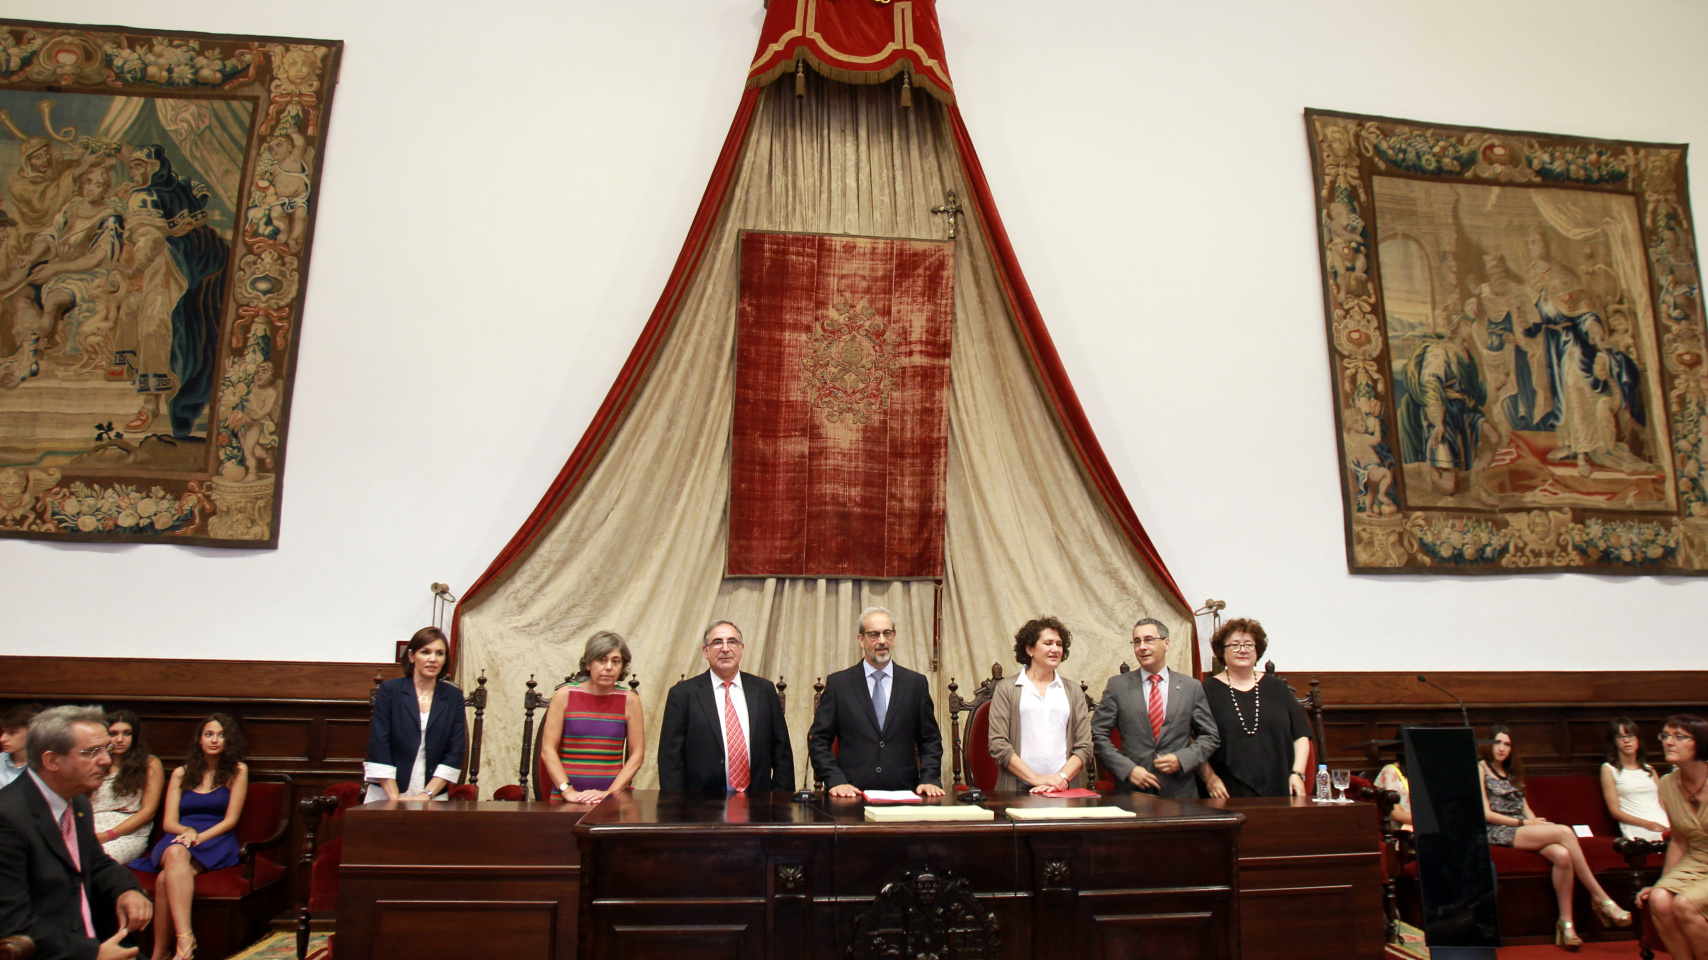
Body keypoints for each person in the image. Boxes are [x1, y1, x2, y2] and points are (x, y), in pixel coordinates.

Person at [0, 705, 153, 960]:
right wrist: (92, 954)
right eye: (92, 752)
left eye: (106, 749)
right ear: (52, 761)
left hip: (94, 938)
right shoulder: (8, 817)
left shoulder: (77, 800)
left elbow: (95, 860)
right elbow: (12, 922)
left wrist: (127, 889)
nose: (105, 760)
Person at [1478, 724, 1630, 948]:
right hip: (1498, 830)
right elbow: (1486, 813)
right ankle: (1599, 896)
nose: (1502, 748)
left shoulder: (1511, 771)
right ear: (1488, 745)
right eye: (1498, 743)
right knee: (1565, 832)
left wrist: (1537, 823)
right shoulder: (1480, 768)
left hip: (1523, 827)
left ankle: (1566, 924)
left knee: (1562, 854)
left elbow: (1524, 806)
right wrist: (1525, 823)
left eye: (1508, 744)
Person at [131, 714, 249, 960]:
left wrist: (200, 837)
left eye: (221, 734)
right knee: (175, 852)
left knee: (165, 879)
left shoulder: (238, 770)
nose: (214, 740)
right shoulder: (180, 773)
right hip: (180, 836)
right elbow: (168, 822)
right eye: (208, 734)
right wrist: (187, 832)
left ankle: (159, 953)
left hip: (216, 838)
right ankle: (186, 940)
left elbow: (231, 820)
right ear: (199, 740)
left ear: (229, 740)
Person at [809, 606, 945, 798]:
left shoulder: (915, 684)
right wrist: (834, 780)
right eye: (874, 635)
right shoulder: (840, 684)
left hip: (904, 792)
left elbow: (930, 739)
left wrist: (930, 778)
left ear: (894, 637)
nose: (882, 641)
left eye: (887, 633)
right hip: (852, 793)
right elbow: (819, 740)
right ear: (861, 640)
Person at [658, 619, 794, 793]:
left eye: (732, 641)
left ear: (741, 648)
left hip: (758, 803)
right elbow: (670, 758)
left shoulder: (764, 690)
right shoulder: (683, 694)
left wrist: (780, 801)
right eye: (717, 642)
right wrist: (677, 807)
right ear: (705, 651)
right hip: (701, 805)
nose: (725, 648)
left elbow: (782, 751)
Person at [1092, 617, 1220, 800]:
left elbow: (1210, 736)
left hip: (1180, 793)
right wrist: (1128, 769)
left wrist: (1182, 759)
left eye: (1149, 640)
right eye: (1137, 641)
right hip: (1133, 792)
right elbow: (1098, 734)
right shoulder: (1118, 686)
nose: (1142, 647)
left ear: (1166, 644)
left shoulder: (1190, 687)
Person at [1197, 619, 1311, 799]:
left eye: (1249, 644)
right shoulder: (1206, 690)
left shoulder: (1277, 687)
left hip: (1280, 786)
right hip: (1224, 790)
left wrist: (1297, 774)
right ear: (1222, 651)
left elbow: (1301, 735)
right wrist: (1209, 779)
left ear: (1257, 650)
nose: (1243, 650)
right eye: (1234, 645)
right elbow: (1193, 741)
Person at [985, 617, 1093, 794]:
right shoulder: (1007, 689)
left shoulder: (1073, 690)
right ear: (1029, 649)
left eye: (1059, 644)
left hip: (1063, 790)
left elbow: (1085, 745)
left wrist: (1061, 780)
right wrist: (1036, 779)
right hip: (1017, 790)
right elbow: (998, 743)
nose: (1055, 649)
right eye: (1048, 643)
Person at [363, 627, 468, 803]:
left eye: (439, 653)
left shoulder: (453, 697)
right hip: (387, 793)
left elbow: (455, 751)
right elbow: (379, 745)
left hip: (432, 794)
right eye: (425, 652)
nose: (433, 659)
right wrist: (395, 798)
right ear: (411, 656)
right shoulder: (390, 691)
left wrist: (425, 796)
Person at [540, 631, 645, 803]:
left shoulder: (630, 700)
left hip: (610, 800)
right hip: (566, 798)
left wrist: (610, 793)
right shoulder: (564, 695)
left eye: (616, 661)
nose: (609, 667)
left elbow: (637, 755)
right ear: (588, 664)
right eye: (602, 660)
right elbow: (548, 750)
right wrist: (567, 791)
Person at [1639, 715, 1708, 960]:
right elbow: (1679, 840)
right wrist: (1664, 882)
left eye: (1679, 737)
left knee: (1685, 904)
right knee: (1659, 898)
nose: (1669, 742)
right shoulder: (1667, 783)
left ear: (1699, 742)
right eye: (1665, 736)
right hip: (1696, 859)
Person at [92, 711, 164, 864]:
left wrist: (108, 834)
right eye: (113, 733)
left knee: (95, 862)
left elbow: (148, 811)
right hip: (91, 827)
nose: (119, 739)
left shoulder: (149, 763)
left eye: (127, 734)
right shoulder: (94, 762)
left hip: (127, 832)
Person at [1601, 717, 1668, 842]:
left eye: (1630, 736)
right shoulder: (1608, 769)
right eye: (1621, 737)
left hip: (1663, 824)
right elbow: (1615, 811)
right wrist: (1646, 823)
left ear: (1637, 740)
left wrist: (1672, 825)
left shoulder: (1650, 769)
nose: (1627, 741)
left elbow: (1662, 803)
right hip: (1637, 825)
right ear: (1614, 741)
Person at [0, 703, 41, 789]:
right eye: (4, 732)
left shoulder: (47, 766)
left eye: (12, 733)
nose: (2, 739)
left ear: (33, 732)